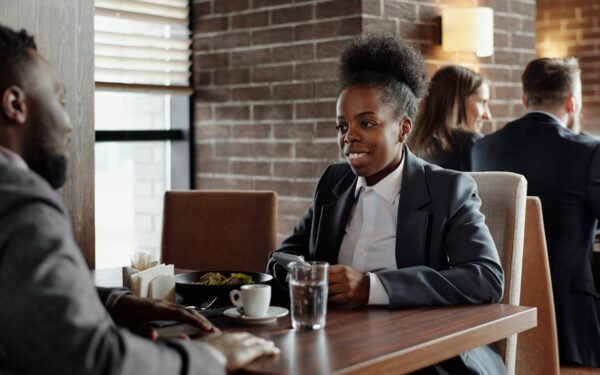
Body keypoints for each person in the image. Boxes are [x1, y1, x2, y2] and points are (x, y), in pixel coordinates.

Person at [0, 24, 278, 374]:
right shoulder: (21, 204)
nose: (69, 123)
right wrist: (211, 356)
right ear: (15, 104)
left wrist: (115, 303)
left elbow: (20, 292)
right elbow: (94, 361)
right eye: (60, 100)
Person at [267, 32, 505, 374]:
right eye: (342, 125)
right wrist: (305, 275)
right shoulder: (334, 183)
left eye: (367, 123)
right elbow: (283, 254)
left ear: (403, 128)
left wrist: (370, 288)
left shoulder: (447, 188)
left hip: (424, 356)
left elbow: (485, 278)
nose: (349, 136)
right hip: (336, 346)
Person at [472, 57, 600, 368]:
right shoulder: (589, 151)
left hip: (499, 321)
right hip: (569, 326)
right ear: (572, 102)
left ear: (524, 99)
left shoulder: (482, 148)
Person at [409, 65, 492, 171]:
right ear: (457, 102)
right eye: (482, 102)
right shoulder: (472, 143)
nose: (488, 116)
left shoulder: (406, 143)